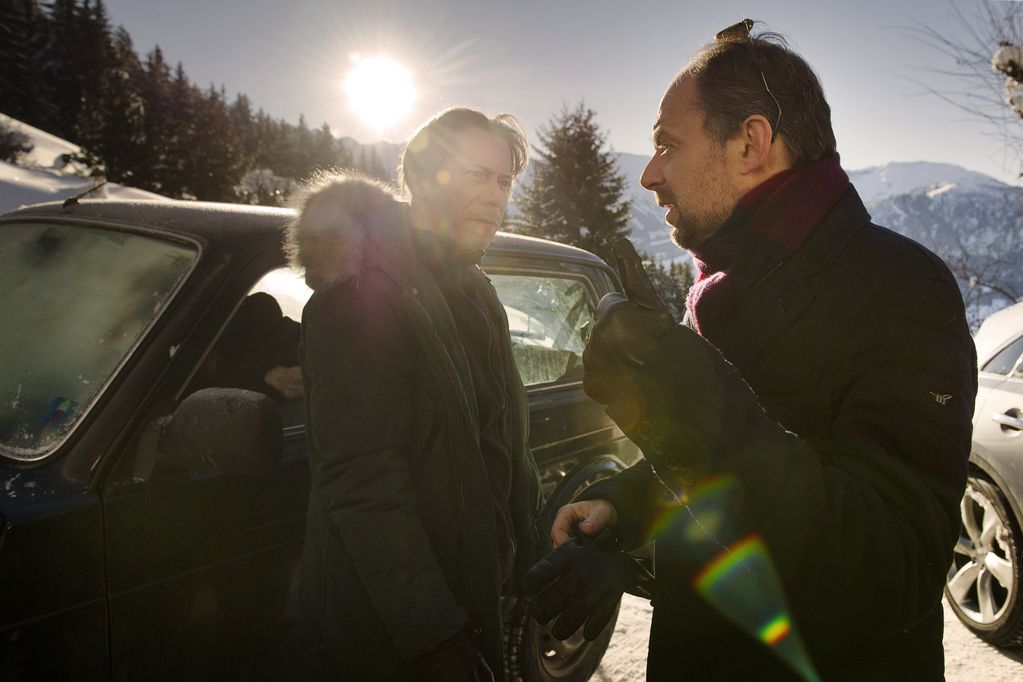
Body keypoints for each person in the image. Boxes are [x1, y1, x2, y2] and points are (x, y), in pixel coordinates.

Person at [526, 20, 977, 681]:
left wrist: (685, 388)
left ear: (751, 143)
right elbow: (731, 468)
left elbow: (893, 569)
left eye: (666, 145)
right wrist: (622, 511)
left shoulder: (900, 286)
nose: (649, 174)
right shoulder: (722, 285)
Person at [284, 108, 546, 681]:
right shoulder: (360, 294)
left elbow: (504, 442)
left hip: (466, 602)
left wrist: (531, 562)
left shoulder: (474, 290)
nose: (495, 196)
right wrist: (437, 643)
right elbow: (363, 481)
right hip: (385, 638)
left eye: (503, 181)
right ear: (422, 177)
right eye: (476, 174)